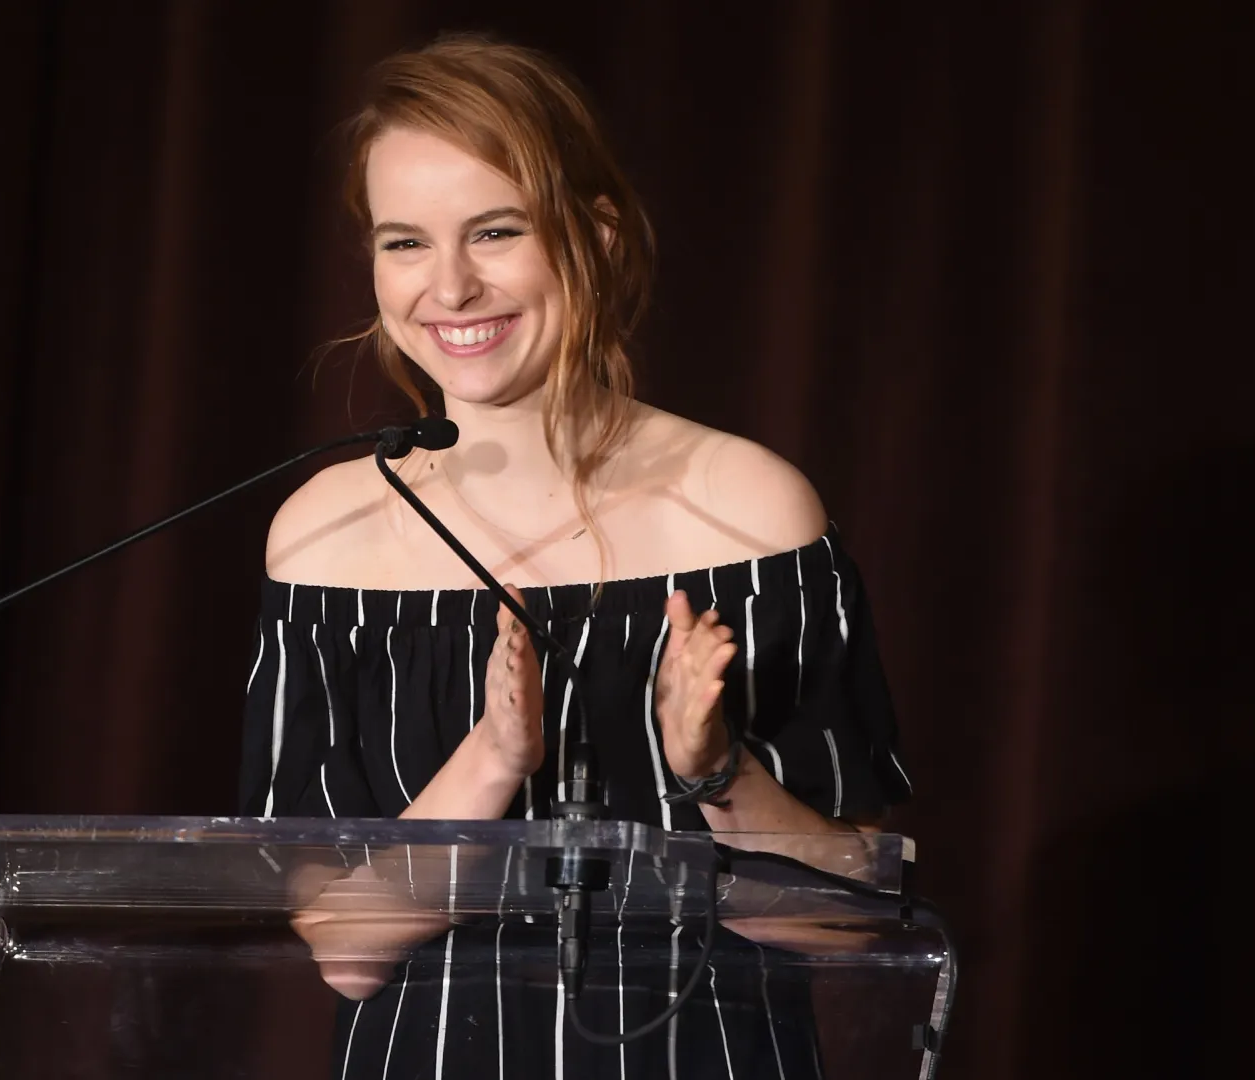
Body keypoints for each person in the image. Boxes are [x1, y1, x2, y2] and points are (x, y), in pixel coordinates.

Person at [238, 33, 913, 1079]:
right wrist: (493, 761)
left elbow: (850, 923)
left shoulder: (750, 513)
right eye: (404, 242)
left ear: (593, 238)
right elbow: (345, 948)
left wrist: (714, 774)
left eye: (496, 231)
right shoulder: (324, 536)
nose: (450, 287)